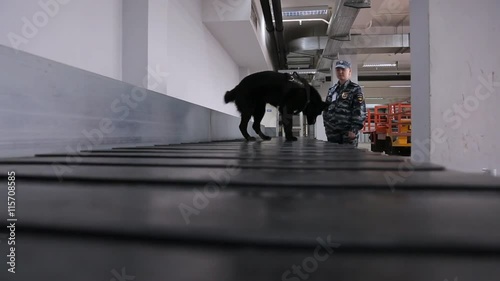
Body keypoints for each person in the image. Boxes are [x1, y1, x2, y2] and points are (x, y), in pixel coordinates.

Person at [323, 60, 367, 147]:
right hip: (332, 133)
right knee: (332, 158)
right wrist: (326, 126)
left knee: (348, 158)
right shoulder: (332, 90)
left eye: (343, 69)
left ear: (349, 71)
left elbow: (360, 111)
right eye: (338, 70)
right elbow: (326, 108)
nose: (340, 72)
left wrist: (354, 130)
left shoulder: (355, 89)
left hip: (347, 133)